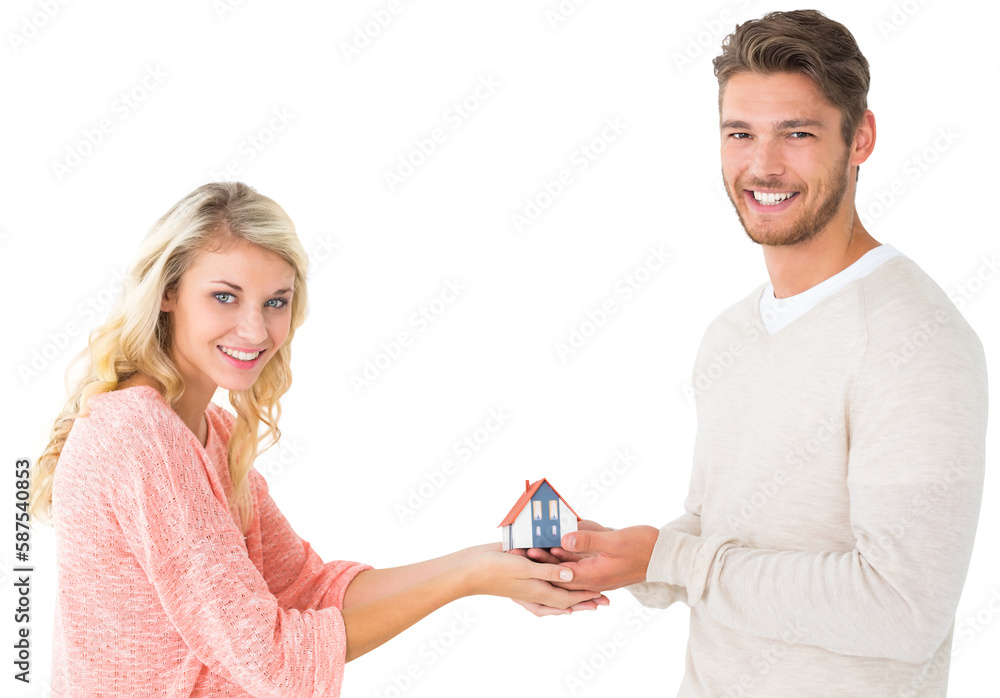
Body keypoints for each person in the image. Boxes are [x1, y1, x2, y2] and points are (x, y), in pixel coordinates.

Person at [522, 10, 988, 697]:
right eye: (740, 133)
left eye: (797, 133)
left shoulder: (914, 341)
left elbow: (902, 611)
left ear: (860, 138)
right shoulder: (732, 333)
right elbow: (715, 534)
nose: (763, 165)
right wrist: (617, 558)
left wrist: (671, 558)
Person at [30, 181, 606, 697]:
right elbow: (273, 661)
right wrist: (467, 579)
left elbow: (305, 589)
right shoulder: (141, 436)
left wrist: (483, 561)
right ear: (167, 291)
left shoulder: (207, 431)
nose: (255, 330)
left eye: (275, 302)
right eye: (225, 296)